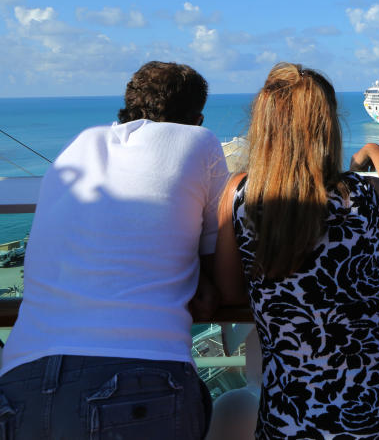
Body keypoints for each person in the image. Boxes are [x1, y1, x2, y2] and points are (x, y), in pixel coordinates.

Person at [0, 61, 228, 438]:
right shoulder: (199, 142)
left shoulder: (79, 144)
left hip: (21, 381)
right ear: (198, 117)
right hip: (138, 376)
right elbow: (217, 261)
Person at [213, 62, 379, 439]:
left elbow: (228, 292)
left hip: (291, 408)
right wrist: (374, 149)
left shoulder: (241, 195)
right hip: (375, 398)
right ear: (328, 126)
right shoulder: (360, 194)